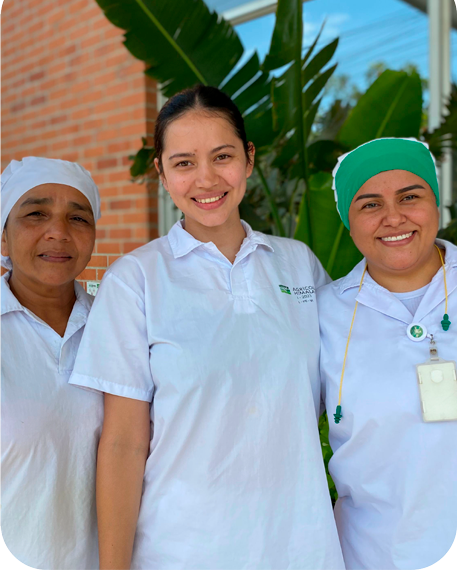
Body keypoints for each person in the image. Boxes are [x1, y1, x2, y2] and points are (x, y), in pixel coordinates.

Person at [69, 85, 345, 570]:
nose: (206, 179)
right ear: (161, 173)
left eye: (222, 156)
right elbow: (123, 443)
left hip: (301, 547)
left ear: (249, 158)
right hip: (182, 550)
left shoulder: (298, 264)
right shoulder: (137, 280)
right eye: (184, 163)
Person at [318, 137, 457, 570]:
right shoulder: (322, 315)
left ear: (436, 203)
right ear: (348, 222)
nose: (393, 217)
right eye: (370, 204)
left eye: (410, 197)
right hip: (372, 556)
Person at [0, 157, 103, 570]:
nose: (58, 232)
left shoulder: (119, 327)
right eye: (36, 214)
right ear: (3, 237)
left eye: (78, 218)